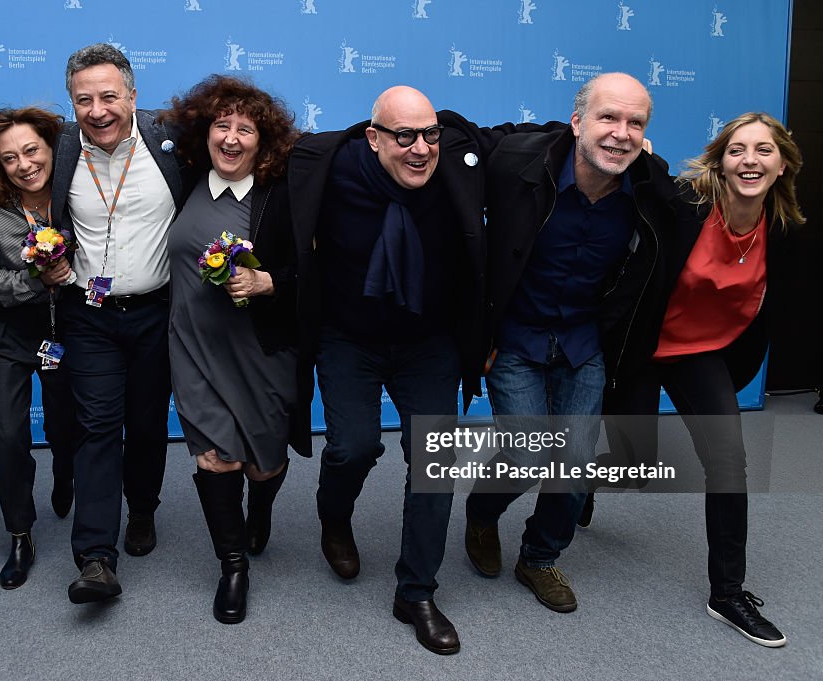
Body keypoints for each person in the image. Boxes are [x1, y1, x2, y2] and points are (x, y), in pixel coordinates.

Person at [289, 85, 531, 655]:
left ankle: (415, 592)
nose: (421, 148)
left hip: (429, 341)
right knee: (353, 446)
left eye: (429, 134)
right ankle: (334, 519)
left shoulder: (456, 164)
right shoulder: (329, 166)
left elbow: (531, 143)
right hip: (350, 337)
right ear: (373, 138)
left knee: (435, 461)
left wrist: (608, 137)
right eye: (404, 136)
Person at [462, 73, 676, 614]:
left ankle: (538, 557)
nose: (621, 133)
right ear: (577, 122)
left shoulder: (650, 190)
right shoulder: (519, 162)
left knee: (576, 466)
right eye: (608, 118)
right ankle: (482, 515)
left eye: (635, 123)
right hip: (515, 340)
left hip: (584, 344)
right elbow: (457, 140)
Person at [596, 112, 804, 647]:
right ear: (721, 160)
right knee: (635, 466)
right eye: (737, 150)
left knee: (729, 459)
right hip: (642, 349)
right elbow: (639, 176)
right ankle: (583, 482)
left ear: (782, 165)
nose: (750, 161)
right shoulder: (687, 206)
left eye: (763, 151)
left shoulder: (783, 231)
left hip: (700, 356)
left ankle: (727, 592)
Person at [159, 75, 309, 624]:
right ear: (205, 134)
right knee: (216, 457)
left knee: (263, 467)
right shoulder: (184, 178)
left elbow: (316, 274)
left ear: (262, 142)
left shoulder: (285, 197)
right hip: (194, 348)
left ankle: (260, 509)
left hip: (263, 354)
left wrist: (270, 282)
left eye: (245, 129)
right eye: (221, 125)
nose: (231, 137)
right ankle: (233, 565)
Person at [53, 44, 190, 603]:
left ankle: (143, 510)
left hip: (159, 313)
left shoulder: (170, 142)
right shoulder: (60, 148)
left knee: (149, 424)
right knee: (98, 429)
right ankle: (95, 557)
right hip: (90, 316)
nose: (98, 110)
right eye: (84, 99)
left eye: (110, 96)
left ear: (133, 96)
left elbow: (243, 151)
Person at [0, 107, 83, 590]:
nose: (24, 164)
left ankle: (67, 471)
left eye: (32, 150)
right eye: (10, 158)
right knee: (9, 433)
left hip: (69, 330)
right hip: (8, 333)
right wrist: (36, 278)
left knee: (66, 425)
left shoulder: (81, 195)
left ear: (53, 148)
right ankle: (19, 534)